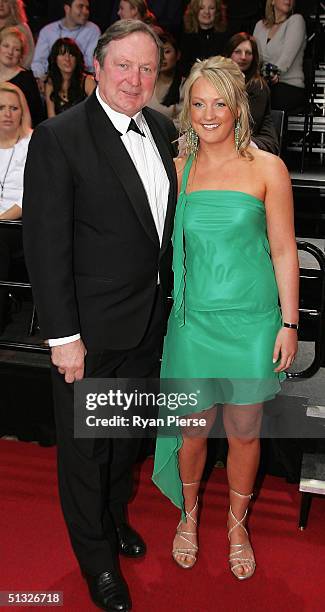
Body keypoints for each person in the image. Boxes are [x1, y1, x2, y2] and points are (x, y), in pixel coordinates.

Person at [23, 19, 177, 612]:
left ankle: (114, 520)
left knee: (124, 439)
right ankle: (96, 562)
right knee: (86, 451)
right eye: (123, 66)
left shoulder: (162, 129)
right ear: (97, 67)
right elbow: (45, 246)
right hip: (85, 333)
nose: (135, 79)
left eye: (146, 68)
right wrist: (64, 336)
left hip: (148, 327)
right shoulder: (60, 137)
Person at [152, 55, 299, 579]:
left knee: (242, 431)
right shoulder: (175, 170)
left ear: (237, 107)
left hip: (253, 323)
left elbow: (284, 250)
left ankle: (237, 523)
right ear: (186, 109)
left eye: (219, 103)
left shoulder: (268, 168)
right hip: (193, 323)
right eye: (198, 103)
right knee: (192, 432)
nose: (209, 114)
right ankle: (189, 518)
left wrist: (289, 322)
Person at [0, 82, 32, 332]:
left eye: (13, 108)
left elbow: (30, 195)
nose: (7, 113)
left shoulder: (34, 142)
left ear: (22, 111)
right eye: (1, 108)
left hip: (18, 223)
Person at [225, 32, 279, 154]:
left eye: (248, 53)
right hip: (235, 138)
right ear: (229, 55)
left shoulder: (257, 86)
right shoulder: (222, 83)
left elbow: (248, 125)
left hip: (259, 142)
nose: (243, 57)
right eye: (238, 52)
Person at [31, 0, 100, 93]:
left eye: (87, 8)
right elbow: (38, 62)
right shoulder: (48, 31)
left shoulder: (92, 30)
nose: (85, 11)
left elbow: (90, 64)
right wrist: (40, 78)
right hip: (52, 81)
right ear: (67, 8)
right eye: (80, 6)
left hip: (79, 83)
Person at [253, 0, 306, 113]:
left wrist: (267, 75)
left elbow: (284, 62)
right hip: (264, 84)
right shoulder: (259, 25)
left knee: (261, 100)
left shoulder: (296, 21)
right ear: (272, 1)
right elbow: (255, 59)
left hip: (288, 85)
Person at [0, 26, 45, 126]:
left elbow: (37, 116)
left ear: (21, 55)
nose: (10, 52)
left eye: (16, 49)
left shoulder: (27, 79)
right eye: (6, 46)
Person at [45, 37, 96, 117]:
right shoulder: (50, 83)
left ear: (77, 58)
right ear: (55, 59)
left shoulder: (88, 81)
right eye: (62, 54)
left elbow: (95, 114)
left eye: (71, 55)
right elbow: (51, 118)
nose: (67, 59)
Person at [179, 0, 228, 78]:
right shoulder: (186, 37)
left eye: (211, 8)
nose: (207, 12)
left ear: (217, 12)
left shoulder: (225, 37)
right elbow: (183, 68)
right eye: (201, 8)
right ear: (195, 11)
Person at [147, 30, 181, 125]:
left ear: (178, 55)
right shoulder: (147, 83)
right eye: (158, 52)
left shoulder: (186, 86)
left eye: (167, 52)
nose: (162, 57)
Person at [0, 0, 34, 69]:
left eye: (5, 1)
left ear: (13, 4)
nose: (0, 4)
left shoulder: (22, 28)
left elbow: (29, 57)